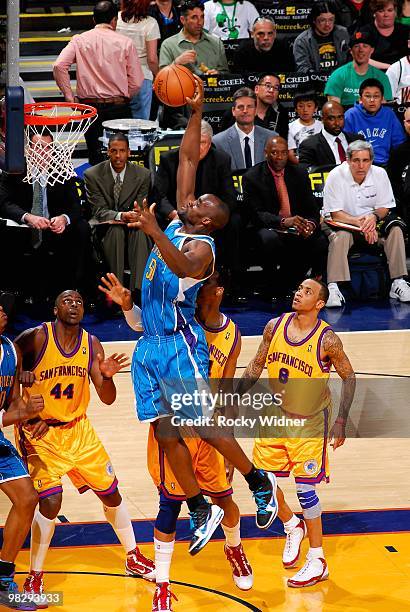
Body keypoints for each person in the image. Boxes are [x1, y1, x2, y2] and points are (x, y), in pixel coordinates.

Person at [126, 76, 277, 557]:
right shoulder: (177, 223)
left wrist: (152, 231)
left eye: (203, 203)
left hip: (177, 342)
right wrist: (195, 114)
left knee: (202, 422)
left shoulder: (202, 248)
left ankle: (258, 482)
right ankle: (197, 505)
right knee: (163, 429)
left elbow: (182, 266)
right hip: (148, 346)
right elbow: (189, 160)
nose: (192, 199)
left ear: (210, 219)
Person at [99, 271, 253, 610]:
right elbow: (144, 326)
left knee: (225, 500)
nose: (197, 292)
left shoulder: (232, 334)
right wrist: (128, 307)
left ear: (217, 291)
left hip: (207, 428)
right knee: (169, 505)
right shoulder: (177, 315)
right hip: (172, 425)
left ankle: (234, 548)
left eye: (204, 287)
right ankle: (164, 585)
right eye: (195, 287)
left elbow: (226, 388)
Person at [14, 290, 155, 599]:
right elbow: (9, 361)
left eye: (78, 301)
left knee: (112, 493)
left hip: (79, 429)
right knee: (51, 502)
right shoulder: (36, 337)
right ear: (54, 307)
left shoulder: (92, 344)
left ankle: (133, 556)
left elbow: (107, 399)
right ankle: (34, 575)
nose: (74, 305)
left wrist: (107, 377)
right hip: (41, 434)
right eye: (66, 300)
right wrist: (19, 387)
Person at [237, 278, 356, 587]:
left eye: (307, 292)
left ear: (319, 304)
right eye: (298, 289)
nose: (298, 294)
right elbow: (256, 364)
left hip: (310, 420)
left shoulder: (327, 340)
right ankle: (292, 525)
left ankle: (317, 560)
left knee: (306, 490)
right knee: (262, 482)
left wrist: (342, 420)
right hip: (276, 413)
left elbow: (349, 377)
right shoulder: (274, 326)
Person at [151, 120, 243, 301]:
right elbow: (159, 197)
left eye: (202, 143)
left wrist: (212, 217)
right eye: (194, 142)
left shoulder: (221, 159)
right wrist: (177, 215)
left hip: (209, 219)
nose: (198, 148)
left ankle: (226, 280)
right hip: (179, 215)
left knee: (235, 222)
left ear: (210, 143)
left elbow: (229, 198)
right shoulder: (169, 159)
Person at [0, 133, 91, 301]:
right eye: (39, 147)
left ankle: (76, 290)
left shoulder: (63, 170)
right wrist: (28, 217)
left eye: (48, 148)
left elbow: (76, 207)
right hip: (24, 229)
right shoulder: (15, 169)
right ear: (29, 149)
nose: (44, 153)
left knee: (82, 227)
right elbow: (4, 203)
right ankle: (11, 293)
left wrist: (64, 218)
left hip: (53, 229)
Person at [53, 0, 144, 165]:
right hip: (118, 106)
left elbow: (59, 66)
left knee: (96, 158)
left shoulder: (79, 40)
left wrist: (69, 97)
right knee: (122, 158)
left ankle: (97, 191)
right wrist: (124, 96)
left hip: (90, 108)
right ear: (114, 20)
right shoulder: (125, 42)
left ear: (93, 20)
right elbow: (137, 81)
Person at [323, 140, 410, 307]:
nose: (361, 166)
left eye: (365, 160)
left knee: (396, 230)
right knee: (340, 237)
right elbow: (335, 214)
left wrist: (373, 217)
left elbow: (384, 207)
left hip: (371, 224)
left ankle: (398, 282)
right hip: (343, 223)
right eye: (356, 160)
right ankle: (333, 287)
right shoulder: (336, 175)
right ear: (348, 160)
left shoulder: (380, 174)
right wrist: (361, 223)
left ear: (371, 160)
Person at [0, 299, 45, 611]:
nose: (3, 311)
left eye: (4, 308)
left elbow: (11, 403)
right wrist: (14, 416)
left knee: (27, 497)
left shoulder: (10, 350)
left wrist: (30, 416)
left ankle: (2, 578)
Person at [242, 136, 328, 298]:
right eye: (274, 153)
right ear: (266, 153)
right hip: (268, 227)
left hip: (296, 226)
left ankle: (293, 282)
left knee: (320, 240)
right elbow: (255, 214)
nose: (279, 157)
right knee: (268, 239)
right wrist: (282, 222)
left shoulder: (299, 173)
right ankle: (275, 285)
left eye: (283, 153)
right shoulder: (252, 177)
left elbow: (312, 208)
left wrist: (309, 224)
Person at [84, 132, 152, 292]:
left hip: (132, 224)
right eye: (114, 151)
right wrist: (120, 216)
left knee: (140, 232)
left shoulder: (143, 175)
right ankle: (117, 290)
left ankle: (139, 290)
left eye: (122, 151)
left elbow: (141, 208)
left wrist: (135, 214)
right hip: (105, 226)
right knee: (115, 232)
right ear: (108, 152)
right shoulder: (92, 175)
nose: (118, 155)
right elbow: (98, 210)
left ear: (129, 152)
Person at [344, 78, 406, 166]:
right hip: (358, 164)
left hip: (384, 165)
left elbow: (399, 143)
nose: (372, 100)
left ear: (382, 98)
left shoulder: (389, 114)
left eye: (376, 96)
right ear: (360, 98)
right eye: (368, 96)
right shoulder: (350, 115)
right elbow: (344, 145)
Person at [324, 28, 393, 106]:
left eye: (365, 46)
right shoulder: (338, 75)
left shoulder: (381, 77)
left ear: (372, 50)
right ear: (351, 51)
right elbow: (334, 110)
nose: (361, 50)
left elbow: (384, 108)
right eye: (356, 46)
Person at [212, 87, 276, 170]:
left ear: (255, 111)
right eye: (240, 107)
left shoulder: (271, 138)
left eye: (250, 106)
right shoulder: (218, 142)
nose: (245, 110)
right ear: (233, 111)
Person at [159, 0, 229, 75]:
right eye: (194, 18)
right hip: (182, 86)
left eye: (202, 17)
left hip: (211, 86)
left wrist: (218, 74)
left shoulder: (216, 43)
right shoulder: (168, 45)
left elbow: (226, 73)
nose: (200, 22)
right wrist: (177, 63)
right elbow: (162, 77)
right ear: (183, 20)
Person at [117, 0, 160, 120]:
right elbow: (152, 59)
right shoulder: (151, 23)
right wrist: (158, 76)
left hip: (118, 77)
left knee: (118, 125)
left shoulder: (116, 19)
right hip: (142, 77)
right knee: (140, 127)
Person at [218, 74, 289, 139]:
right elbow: (222, 139)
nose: (271, 90)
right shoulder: (238, 109)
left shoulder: (281, 112)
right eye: (268, 86)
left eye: (276, 88)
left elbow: (283, 142)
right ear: (256, 89)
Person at [299, 100, 364, 167]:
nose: (337, 123)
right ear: (322, 119)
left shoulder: (358, 140)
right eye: (331, 119)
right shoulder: (309, 145)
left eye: (340, 118)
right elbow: (307, 173)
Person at [293, 1, 350, 74]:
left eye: (331, 19)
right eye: (322, 20)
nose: (327, 24)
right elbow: (302, 68)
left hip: (341, 79)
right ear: (314, 20)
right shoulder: (302, 41)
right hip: (316, 81)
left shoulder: (343, 33)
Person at [361, 0, 409, 70]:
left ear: (395, 12)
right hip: (375, 73)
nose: (386, 15)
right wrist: (391, 68)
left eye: (390, 10)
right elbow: (361, 58)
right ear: (374, 13)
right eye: (381, 11)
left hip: (403, 74)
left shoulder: (405, 30)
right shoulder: (365, 32)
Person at [287, 90, 322, 165]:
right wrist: (303, 167)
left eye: (309, 106)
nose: (305, 110)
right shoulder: (290, 128)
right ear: (296, 109)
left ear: (315, 108)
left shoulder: (323, 126)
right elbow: (291, 154)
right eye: (301, 106)